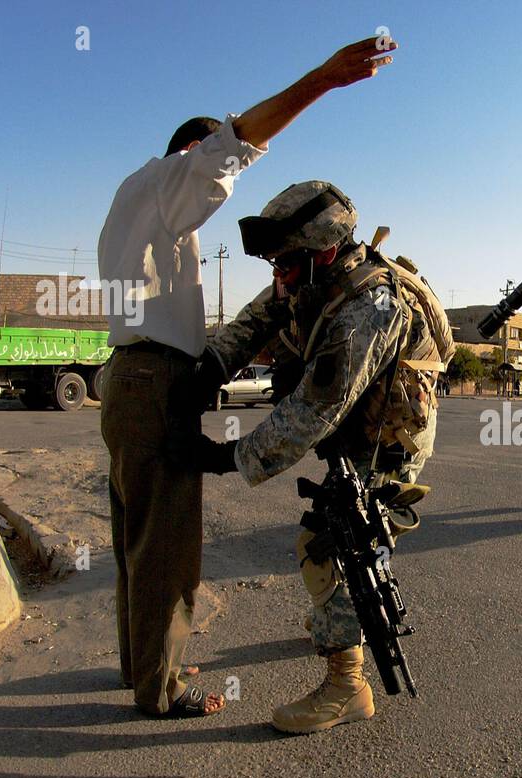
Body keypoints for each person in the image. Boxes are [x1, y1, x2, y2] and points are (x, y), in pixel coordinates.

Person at [97, 36, 396, 718]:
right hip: (151, 379)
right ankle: (162, 688)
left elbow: (272, 339)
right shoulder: (172, 184)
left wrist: (215, 389)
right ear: (191, 159)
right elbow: (239, 139)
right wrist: (321, 80)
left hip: (128, 378)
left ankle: (143, 663)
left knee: (135, 538)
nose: (223, 186)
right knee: (167, 550)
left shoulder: (135, 197)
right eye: (215, 171)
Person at [180, 181, 454, 733]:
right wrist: (209, 369)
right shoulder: (307, 275)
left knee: (336, 543)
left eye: (284, 264)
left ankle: (347, 687)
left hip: (389, 439)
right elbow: (256, 322)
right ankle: (334, 617)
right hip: (353, 422)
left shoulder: (370, 308)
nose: (276, 275)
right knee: (333, 546)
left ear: (324, 252)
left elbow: (311, 412)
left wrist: (226, 457)